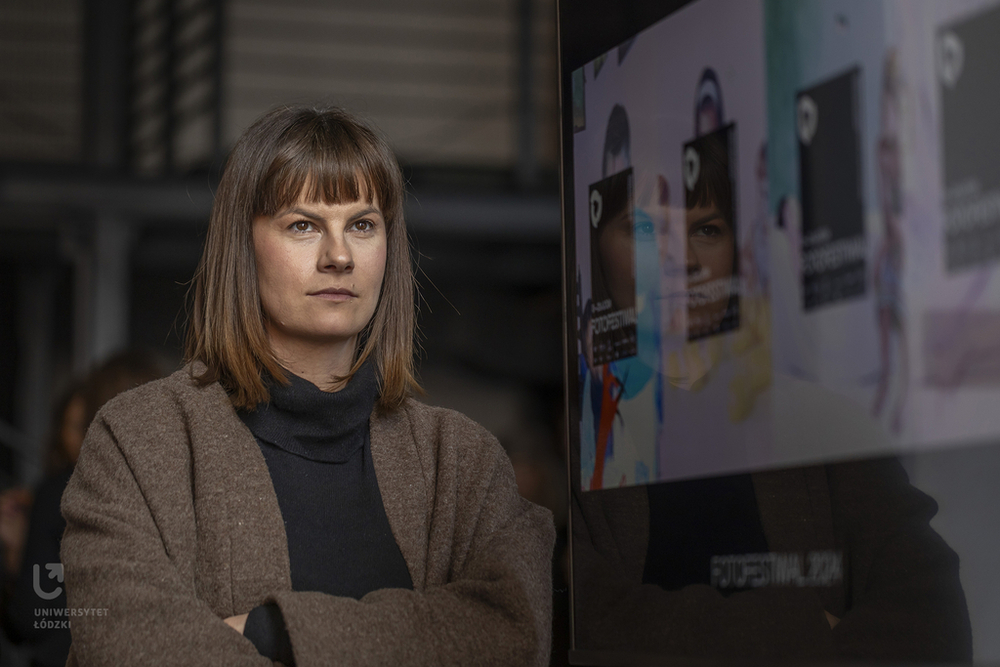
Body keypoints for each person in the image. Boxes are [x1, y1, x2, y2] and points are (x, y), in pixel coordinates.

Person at [59, 106, 555, 666]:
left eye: (362, 225)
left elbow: (514, 632)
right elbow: (128, 646)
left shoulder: (462, 461)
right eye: (303, 225)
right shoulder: (140, 441)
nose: (339, 256)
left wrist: (277, 633)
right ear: (242, 246)